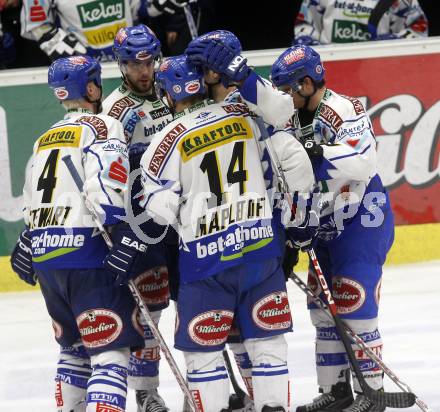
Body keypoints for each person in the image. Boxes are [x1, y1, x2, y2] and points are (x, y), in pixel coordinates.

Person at [139, 51, 315, 412]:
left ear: (169, 93)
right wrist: (296, 224)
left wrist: (187, 219)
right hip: (261, 252)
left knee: (203, 356)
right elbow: (296, 162)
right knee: (268, 346)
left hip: (206, 264)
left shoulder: (166, 139)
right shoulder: (249, 114)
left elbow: (157, 206)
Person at [10, 55, 164, 412]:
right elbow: (106, 191)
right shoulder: (102, 127)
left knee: (74, 351)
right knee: (111, 354)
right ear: (92, 88)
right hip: (90, 256)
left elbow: (31, 203)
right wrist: (123, 230)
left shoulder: (43, 138)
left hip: (48, 256)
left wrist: (29, 239)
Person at [185, 29, 317, 412]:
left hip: (250, 234)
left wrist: (295, 226)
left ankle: (264, 403)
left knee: (257, 335)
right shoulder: (193, 107)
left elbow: (285, 128)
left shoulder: (252, 95)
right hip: (215, 238)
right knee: (224, 335)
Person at [270, 44, 395, 412]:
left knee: (354, 304)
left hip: (359, 221)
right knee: (323, 310)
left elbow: (362, 163)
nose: (283, 96)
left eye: (288, 88)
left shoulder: (346, 109)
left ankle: (371, 393)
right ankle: (336, 390)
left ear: (307, 83)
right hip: (319, 224)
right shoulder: (289, 119)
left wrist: (317, 151)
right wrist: (291, 236)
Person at [101, 23, 173, 412]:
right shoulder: (115, 109)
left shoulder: (172, 85)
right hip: (146, 220)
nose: (144, 72)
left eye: (149, 62)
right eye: (134, 64)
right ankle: (146, 390)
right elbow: (107, 173)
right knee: (153, 306)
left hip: (185, 216)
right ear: (121, 64)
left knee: (202, 298)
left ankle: (214, 380)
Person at [19, 0, 188, 61]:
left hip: (132, 62)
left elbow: (135, 8)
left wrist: (158, 4)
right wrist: (76, 58)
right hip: (85, 75)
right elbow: (38, 25)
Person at [294, 0, 428, 45]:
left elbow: (418, 28)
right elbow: (303, 24)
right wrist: (309, 45)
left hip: (378, 68)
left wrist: (394, 42)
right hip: (328, 69)